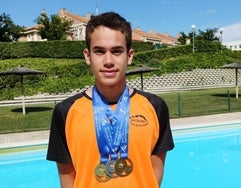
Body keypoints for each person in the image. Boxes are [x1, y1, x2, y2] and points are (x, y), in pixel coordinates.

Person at [47, 11, 174, 188]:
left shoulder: (155, 106)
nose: (108, 61)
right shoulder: (65, 112)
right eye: (99, 51)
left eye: (116, 51)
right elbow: (67, 178)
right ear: (87, 56)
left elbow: (155, 171)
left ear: (129, 56)